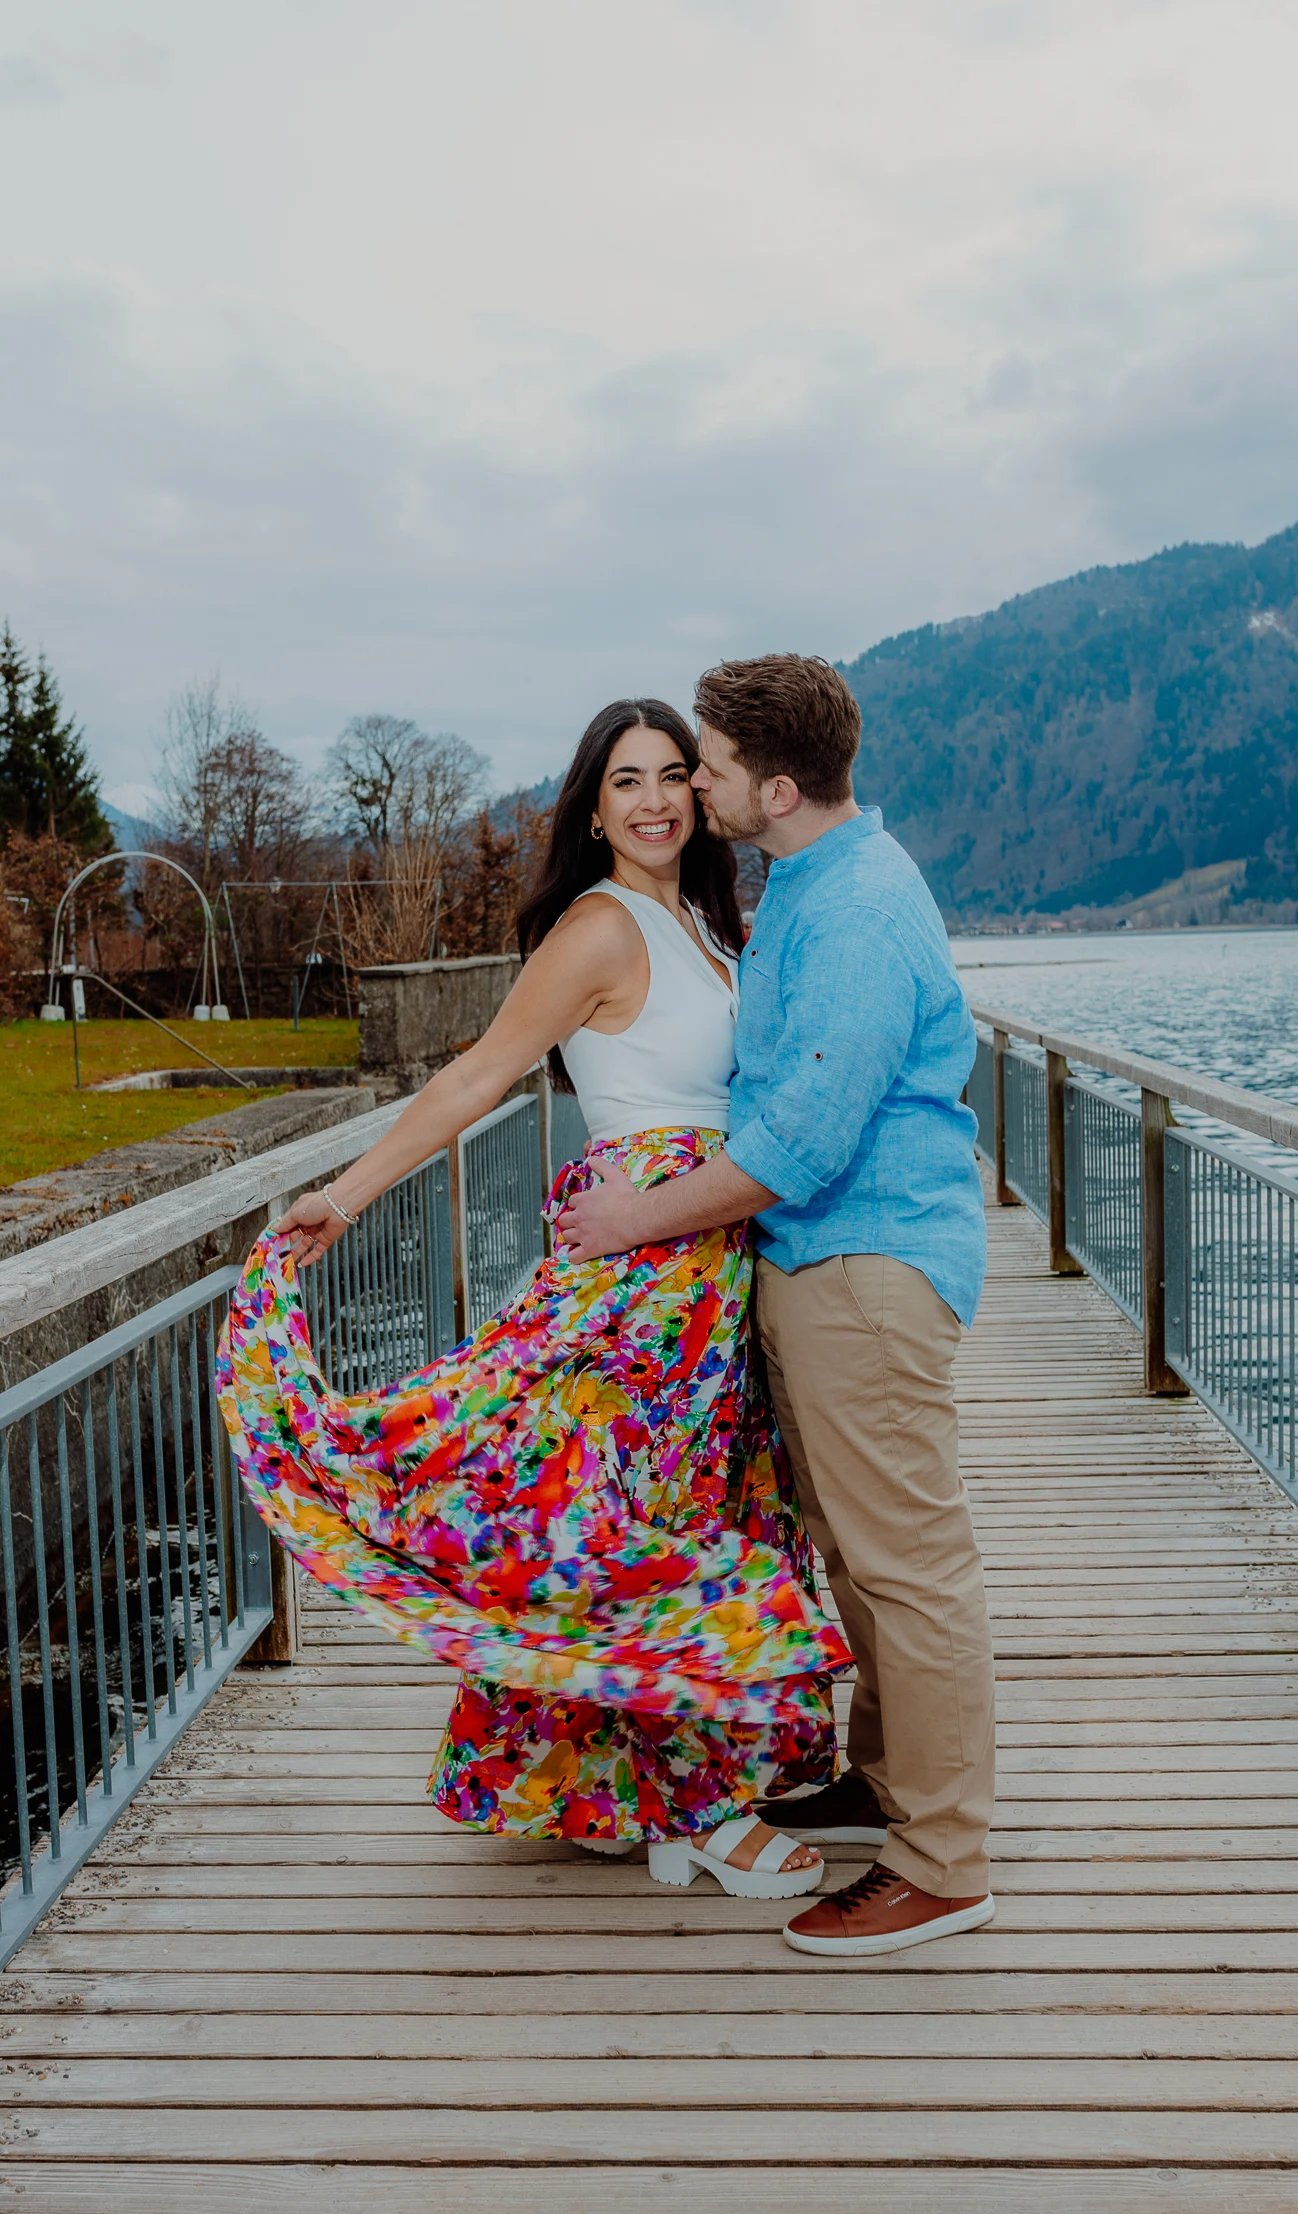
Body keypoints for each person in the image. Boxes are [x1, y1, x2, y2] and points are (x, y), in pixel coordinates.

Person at [216, 697, 850, 1900]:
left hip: (708, 1257)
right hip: (643, 1266)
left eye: (674, 774)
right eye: (627, 782)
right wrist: (344, 1198)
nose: (656, 799)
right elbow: (478, 1073)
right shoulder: (600, 928)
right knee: (643, 1531)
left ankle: (663, 1795)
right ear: (592, 805)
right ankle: (697, 1812)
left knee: (693, 1516)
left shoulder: (710, 926)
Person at [559, 653, 996, 1957]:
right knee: (859, 1548)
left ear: (780, 783)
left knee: (908, 1564)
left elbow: (803, 1134)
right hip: (820, 1260)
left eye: (710, 764)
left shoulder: (855, 909)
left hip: (864, 1259)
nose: (694, 782)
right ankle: (890, 1775)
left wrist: (631, 1214)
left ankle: (944, 1858)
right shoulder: (804, 882)